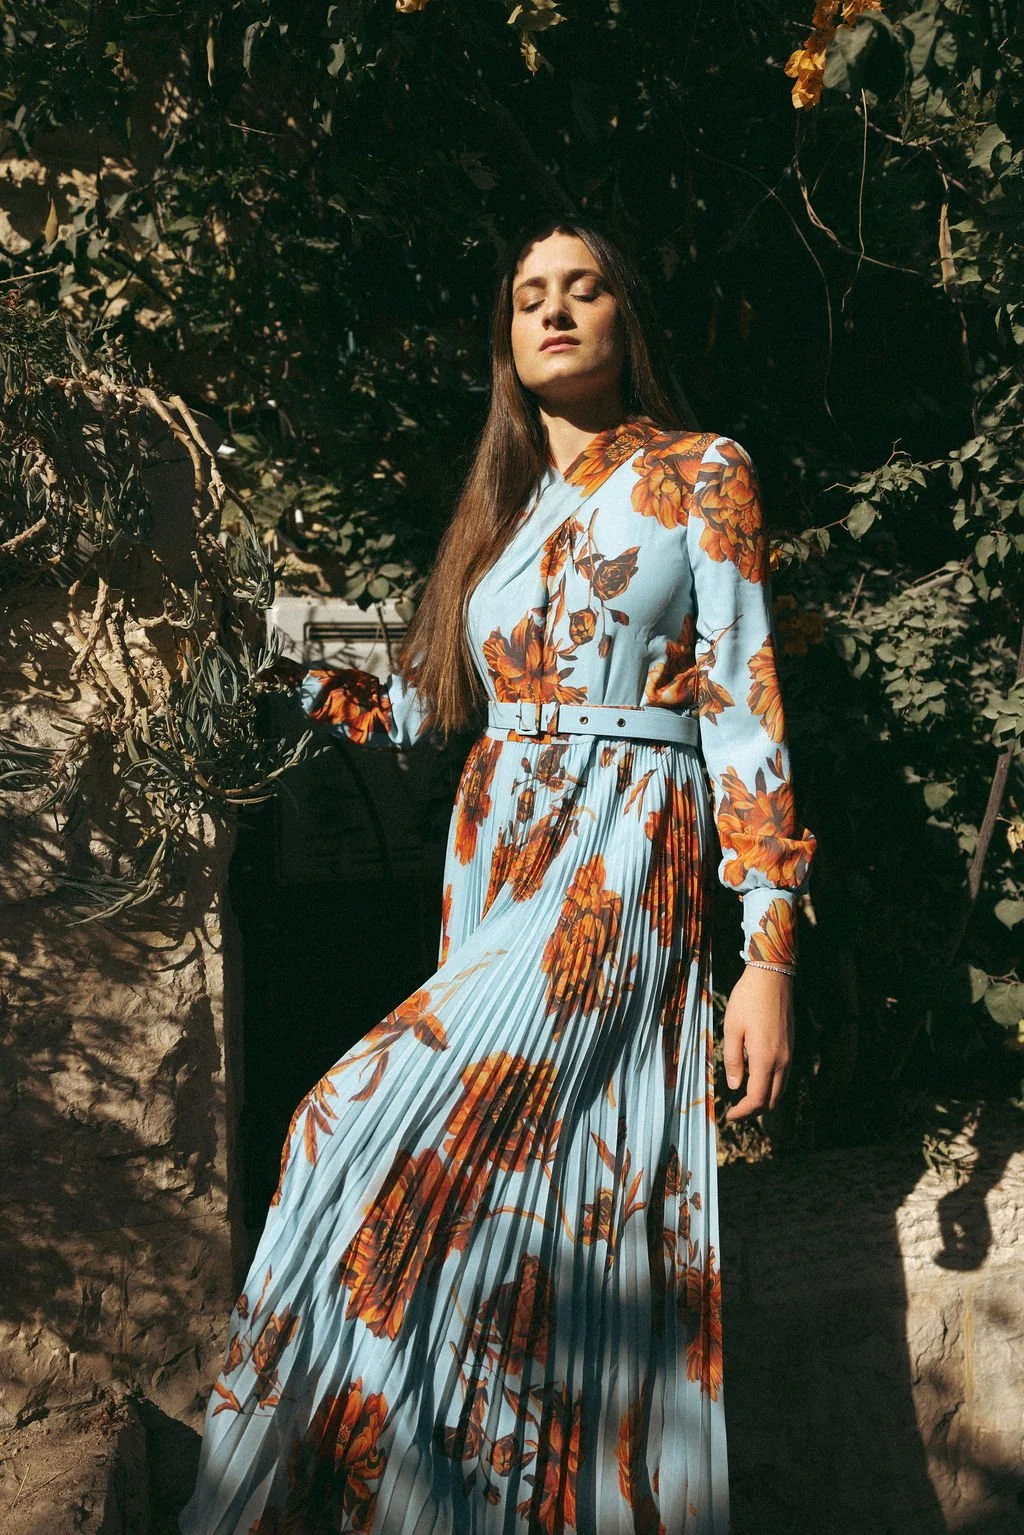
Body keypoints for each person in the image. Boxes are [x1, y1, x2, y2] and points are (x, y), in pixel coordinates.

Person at [179, 218, 816, 1535]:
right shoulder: (510, 517)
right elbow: (422, 708)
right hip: (496, 885)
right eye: (531, 295)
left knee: (336, 1121)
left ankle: (243, 1511)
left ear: (627, 316)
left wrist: (767, 955)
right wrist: (255, 675)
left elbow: (745, 704)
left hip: (615, 873)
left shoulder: (704, 474)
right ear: (507, 340)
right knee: (506, 1229)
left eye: (585, 286)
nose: (558, 309)